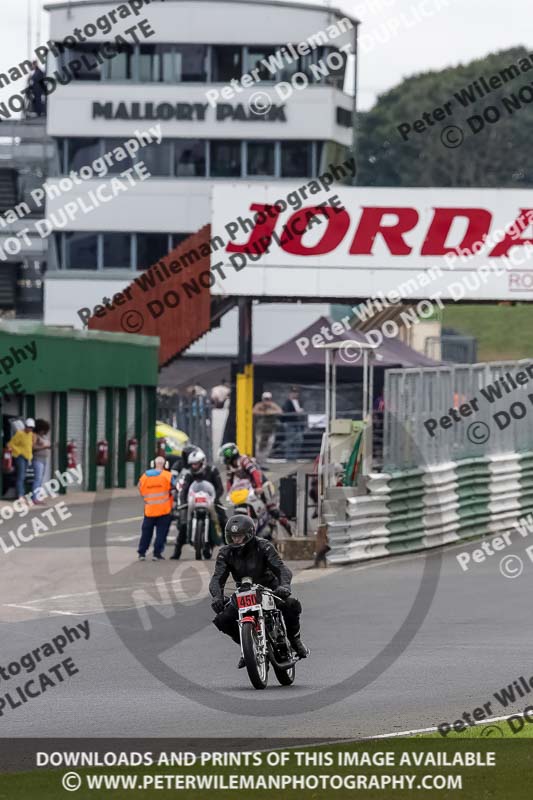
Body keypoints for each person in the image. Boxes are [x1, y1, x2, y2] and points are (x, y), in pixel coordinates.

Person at [209, 515, 309, 667]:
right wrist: (217, 597)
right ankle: (247, 647)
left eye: (240, 536)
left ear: (249, 534)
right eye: (233, 536)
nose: (236, 540)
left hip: (269, 588)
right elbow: (217, 578)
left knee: (291, 605)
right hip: (244, 592)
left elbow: (282, 569)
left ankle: (295, 639)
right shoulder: (225, 553)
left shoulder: (264, 546)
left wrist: (284, 587)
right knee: (223, 619)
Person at [219, 442, 293, 535]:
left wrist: (259, 487)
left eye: (226, 456)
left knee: (271, 507)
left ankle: (285, 522)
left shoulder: (244, 460)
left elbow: (255, 473)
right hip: (247, 487)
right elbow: (230, 481)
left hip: (261, 482)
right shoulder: (229, 466)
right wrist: (230, 493)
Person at [171, 447, 226, 560]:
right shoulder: (189, 474)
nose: (194, 466)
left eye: (196, 464)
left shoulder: (212, 471)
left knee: (223, 520)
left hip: (211, 500)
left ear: (202, 462)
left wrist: (215, 498)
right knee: (183, 524)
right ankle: (177, 551)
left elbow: (220, 488)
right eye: (192, 464)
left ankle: (231, 550)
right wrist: (184, 503)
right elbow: (184, 490)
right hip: (194, 502)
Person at [137, 456, 175, 561]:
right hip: (164, 510)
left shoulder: (145, 476)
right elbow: (174, 489)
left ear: (153, 463)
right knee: (161, 533)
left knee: (146, 533)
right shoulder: (168, 476)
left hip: (149, 509)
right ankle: (156, 554)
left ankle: (142, 553)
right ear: (165, 464)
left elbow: (140, 488)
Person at [8, 418, 35, 501]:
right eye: (28, 427)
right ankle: (20, 495)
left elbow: (29, 446)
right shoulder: (20, 433)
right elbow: (10, 444)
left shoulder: (31, 434)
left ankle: (21, 494)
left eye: (31, 428)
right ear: (25, 426)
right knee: (21, 476)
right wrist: (18, 451)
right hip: (20, 457)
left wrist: (30, 456)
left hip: (27, 457)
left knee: (23, 476)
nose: (30, 429)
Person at [253, 391, 282, 459]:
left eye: (268, 399)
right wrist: (264, 413)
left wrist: (271, 412)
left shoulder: (273, 405)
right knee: (259, 446)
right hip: (261, 430)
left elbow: (280, 411)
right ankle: (258, 462)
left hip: (270, 430)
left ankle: (263, 462)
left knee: (269, 445)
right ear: (262, 399)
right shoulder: (259, 405)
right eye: (265, 399)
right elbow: (254, 411)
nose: (267, 401)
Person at [282, 386, 306, 460]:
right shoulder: (287, 402)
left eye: (296, 393)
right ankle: (289, 457)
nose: (295, 394)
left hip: (298, 423)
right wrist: (296, 413)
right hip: (290, 423)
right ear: (290, 393)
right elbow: (285, 412)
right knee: (290, 440)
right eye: (293, 392)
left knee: (299, 440)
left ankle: (294, 457)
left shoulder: (299, 401)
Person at [32, 419, 51, 505]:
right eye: (43, 430)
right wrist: (44, 447)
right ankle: (34, 498)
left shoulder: (43, 437)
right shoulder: (35, 436)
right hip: (37, 459)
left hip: (44, 459)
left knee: (40, 480)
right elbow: (33, 448)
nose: (44, 432)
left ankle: (37, 497)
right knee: (37, 479)